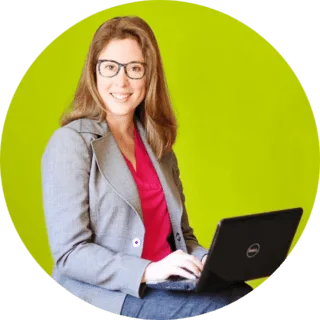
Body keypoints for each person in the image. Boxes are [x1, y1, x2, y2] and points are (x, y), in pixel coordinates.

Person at [41, 16, 252, 319]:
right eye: (110, 67)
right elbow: (69, 254)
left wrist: (209, 260)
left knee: (243, 294)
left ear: (149, 76)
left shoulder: (159, 147)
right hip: (111, 294)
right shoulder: (70, 143)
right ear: (94, 72)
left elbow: (183, 237)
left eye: (135, 69)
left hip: (168, 283)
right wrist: (149, 271)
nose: (122, 82)